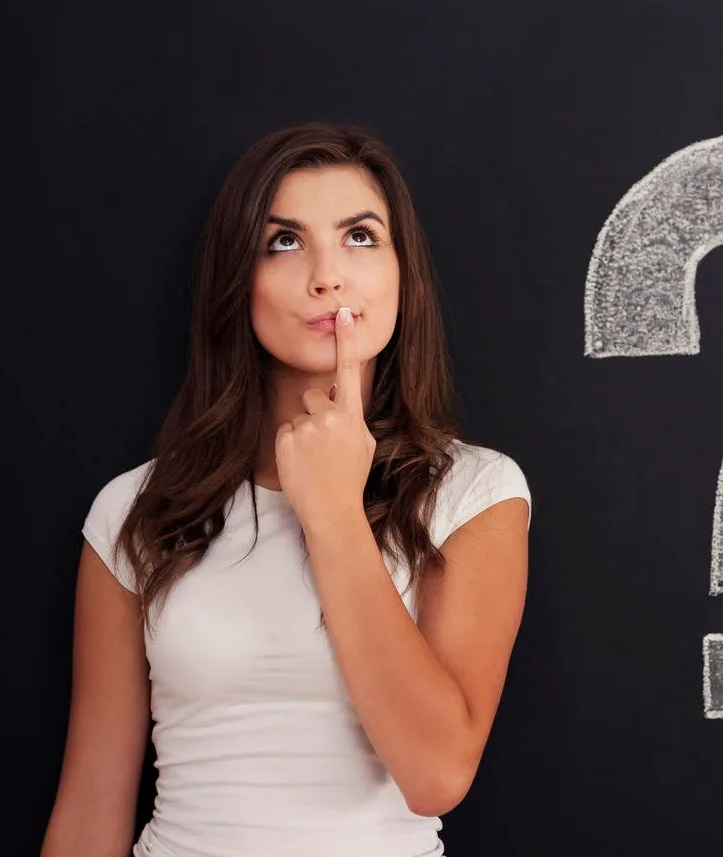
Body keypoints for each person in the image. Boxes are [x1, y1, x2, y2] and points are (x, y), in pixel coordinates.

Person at [40, 122, 532, 857]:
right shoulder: (134, 510)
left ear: (403, 274)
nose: (327, 275)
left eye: (360, 237)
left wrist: (332, 510)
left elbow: (434, 773)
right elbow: (89, 808)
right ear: (240, 281)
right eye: (285, 241)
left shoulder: (474, 492)